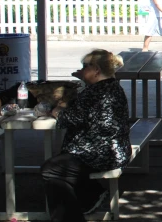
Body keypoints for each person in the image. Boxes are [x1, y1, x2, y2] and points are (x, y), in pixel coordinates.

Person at [41, 49, 132, 221]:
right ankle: (91, 196)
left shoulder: (94, 92)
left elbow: (70, 118)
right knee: (57, 171)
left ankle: (83, 203)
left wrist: (56, 110)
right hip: (114, 148)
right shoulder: (111, 86)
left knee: (52, 170)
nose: (82, 70)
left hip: (100, 152)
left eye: (85, 67)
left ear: (96, 70)